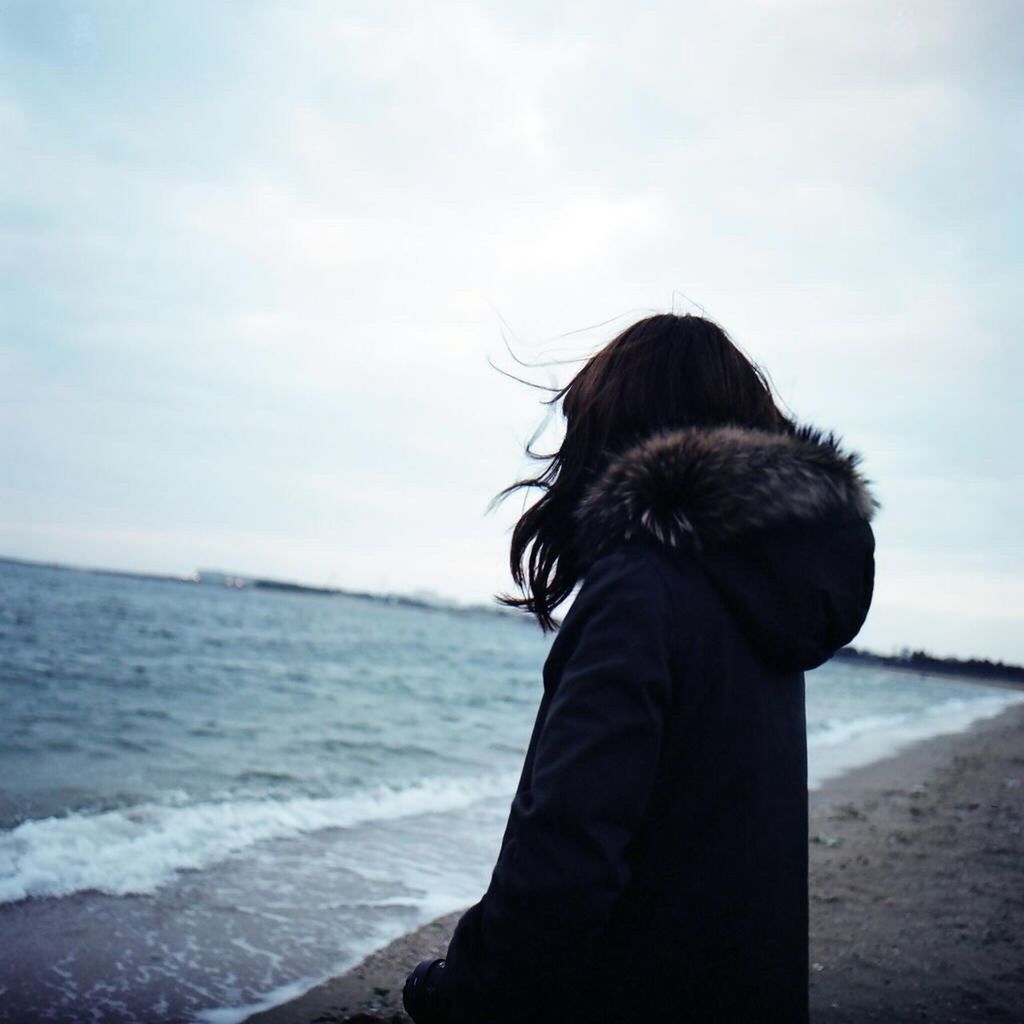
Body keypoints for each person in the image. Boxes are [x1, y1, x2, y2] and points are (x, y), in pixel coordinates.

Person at [403, 313, 877, 1023]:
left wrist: (458, 992)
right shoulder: (760, 591)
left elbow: (563, 859)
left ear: (620, 438)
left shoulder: (643, 589)